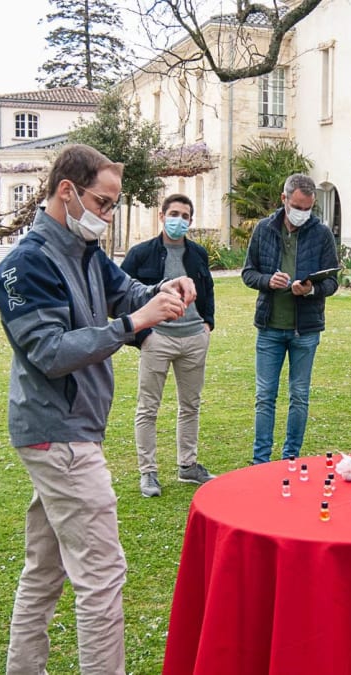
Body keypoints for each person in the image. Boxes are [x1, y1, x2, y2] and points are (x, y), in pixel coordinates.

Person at [0, 144, 197, 675]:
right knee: (102, 577)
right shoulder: (25, 266)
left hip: (72, 430)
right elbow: (50, 352)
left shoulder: (85, 252)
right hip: (59, 435)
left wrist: (163, 291)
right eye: (103, 203)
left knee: (44, 569)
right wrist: (133, 324)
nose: (108, 215)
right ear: (67, 192)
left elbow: (128, 292)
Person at [121, 193, 216, 496]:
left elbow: (208, 290)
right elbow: (122, 293)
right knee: (148, 408)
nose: (179, 220)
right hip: (157, 338)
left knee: (191, 406)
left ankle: (188, 466)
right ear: (161, 216)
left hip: (193, 339)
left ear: (191, 220)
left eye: (185, 216)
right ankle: (148, 472)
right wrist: (141, 334)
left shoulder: (198, 254)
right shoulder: (141, 254)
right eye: (174, 214)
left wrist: (207, 324)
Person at [241, 173, 339, 464]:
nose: (302, 213)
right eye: (298, 206)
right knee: (265, 396)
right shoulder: (264, 229)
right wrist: (267, 280)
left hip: (305, 330)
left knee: (299, 395)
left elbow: (332, 282)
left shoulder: (321, 233)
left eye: (308, 208)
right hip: (270, 327)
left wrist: (310, 290)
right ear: (284, 199)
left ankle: (290, 459)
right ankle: (261, 461)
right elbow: (248, 273)